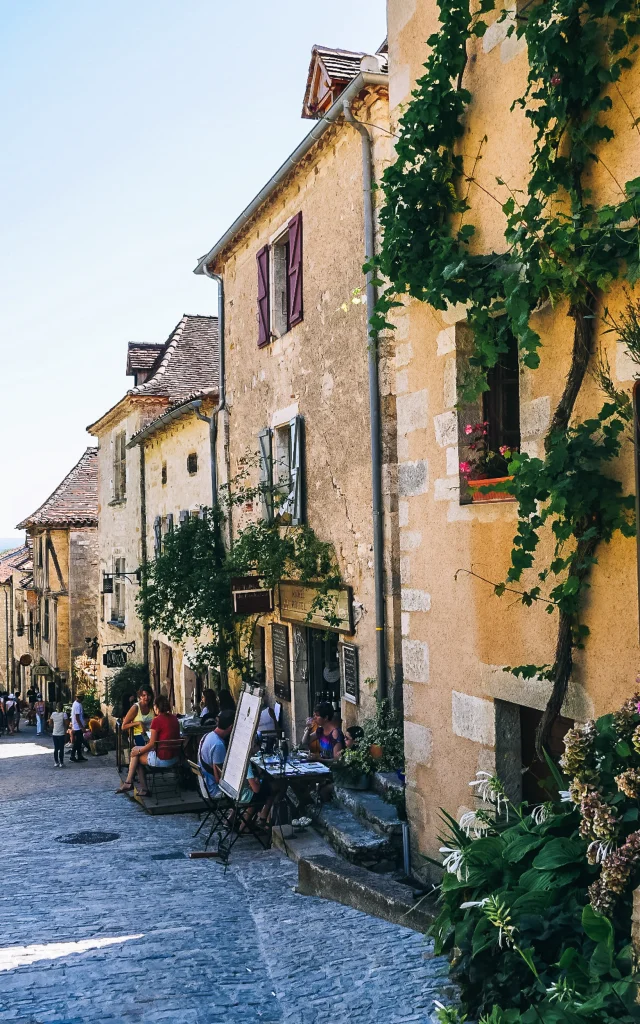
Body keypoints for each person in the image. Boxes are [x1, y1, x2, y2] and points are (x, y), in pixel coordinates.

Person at [116, 694, 182, 796]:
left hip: (162, 758)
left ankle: (136, 786)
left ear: (156, 707)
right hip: (175, 757)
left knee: (135, 756)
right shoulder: (174, 719)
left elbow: (151, 744)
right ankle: (129, 783)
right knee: (135, 750)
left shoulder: (157, 720)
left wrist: (138, 752)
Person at [197, 709, 234, 797]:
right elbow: (220, 779)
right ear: (231, 727)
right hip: (214, 791)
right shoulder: (218, 745)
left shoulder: (207, 735)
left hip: (204, 785)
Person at [49, 703, 69, 767]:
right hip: (61, 733)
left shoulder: (53, 714)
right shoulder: (64, 714)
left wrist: (54, 727)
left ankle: (56, 762)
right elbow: (66, 724)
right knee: (61, 748)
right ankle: (61, 762)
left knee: (56, 748)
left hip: (55, 733)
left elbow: (50, 723)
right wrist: (65, 730)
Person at [70, 695, 87, 762]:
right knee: (78, 742)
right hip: (78, 727)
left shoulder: (75, 703)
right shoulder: (77, 705)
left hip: (77, 726)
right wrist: (81, 727)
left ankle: (79, 755)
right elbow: (77, 717)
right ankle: (72, 755)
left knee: (79, 741)